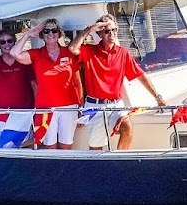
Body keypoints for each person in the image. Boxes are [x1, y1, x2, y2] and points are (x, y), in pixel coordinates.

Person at [68, 14, 167, 150]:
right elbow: (72, 49)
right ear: (100, 34)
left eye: (114, 30)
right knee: (96, 148)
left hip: (116, 104)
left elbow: (141, 75)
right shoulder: (89, 51)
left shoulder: (123, 53)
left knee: (127, 127)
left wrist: (158, 97)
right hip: (94, 106)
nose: (112, 34)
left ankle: (120, 162)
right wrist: (90, 29)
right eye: (107, 31)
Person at [11, 19, 81, 150]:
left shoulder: (69, 52)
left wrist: (80, 107)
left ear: (59, 34)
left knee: (66, 146)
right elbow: (14, 53)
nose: (50, 33)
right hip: (45, 108)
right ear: (41, 35)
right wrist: (27, 35)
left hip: (69, 106)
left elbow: (77, 82)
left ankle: (64, 171)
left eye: (54, 30)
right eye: (46, 31)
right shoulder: (37, 54)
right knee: (50, 146)